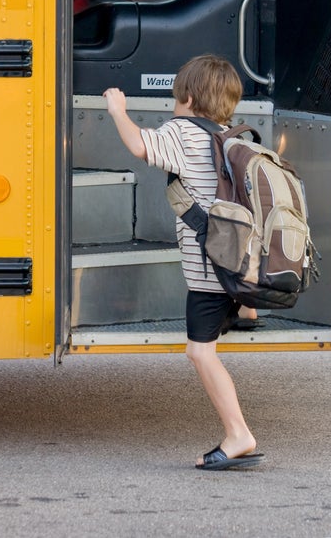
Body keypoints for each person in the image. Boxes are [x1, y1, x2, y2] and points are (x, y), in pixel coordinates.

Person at [104, 55, 264, 471]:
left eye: (177, 97)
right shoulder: (232, 136)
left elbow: (141, 146)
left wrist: (118, 111)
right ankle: (247, 307)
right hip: (238, 265)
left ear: (187, 97)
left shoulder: (183, 131)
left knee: (199, 352)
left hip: (210, 275)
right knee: (216, 326)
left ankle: (238, 435)